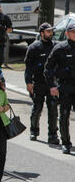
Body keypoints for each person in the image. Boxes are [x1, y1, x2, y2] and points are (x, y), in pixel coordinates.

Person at [24, 22, 59, 145]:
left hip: (52, 83)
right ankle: (34, 130)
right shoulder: (34, 47)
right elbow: (28, 67)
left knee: (53, 109)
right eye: (48, 31)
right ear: (42, 33)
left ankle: (53, 134)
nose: (51, 33)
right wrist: (28, 82)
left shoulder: (56, 46)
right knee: (37, 108)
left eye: (51, 31)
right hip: (38, 82)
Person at [44, 24, 75, 155]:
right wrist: (52, 85)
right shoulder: (60, 48)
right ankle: (66, 143)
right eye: (73, 32)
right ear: (67, 33)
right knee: (64, 115)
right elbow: (48, 69)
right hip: (66, 87)